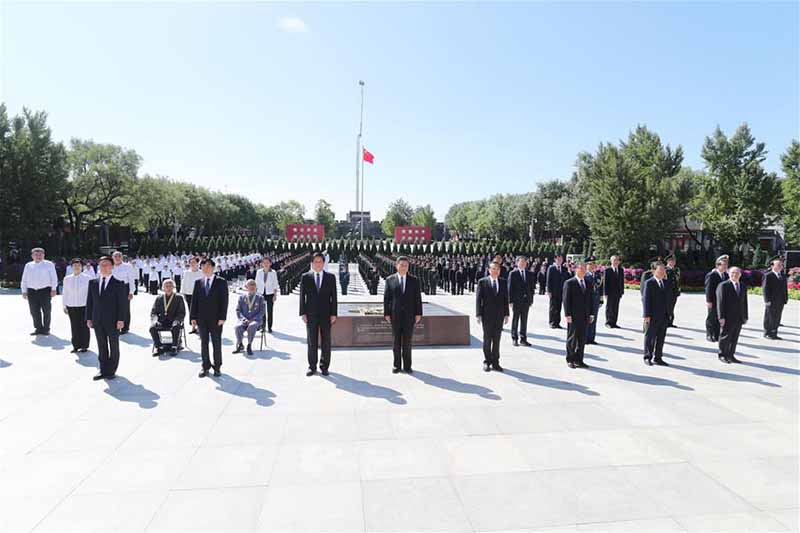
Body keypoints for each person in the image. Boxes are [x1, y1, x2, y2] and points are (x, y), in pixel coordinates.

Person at [85, 256, 127, 380]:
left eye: (106, 264)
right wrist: (89, 318)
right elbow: (90, 301)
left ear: (112, 267)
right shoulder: (93, 283)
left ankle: (111, 370)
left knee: (113, 345)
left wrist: (121, 319)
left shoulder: (119, 283)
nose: (104, 267)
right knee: (101, 345)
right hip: (97, 320)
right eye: (101, 265)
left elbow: (122, 304)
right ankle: (103, 369)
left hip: (113, 321)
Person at [299, 252, 338, 376]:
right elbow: (302, 297)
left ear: (323, 263)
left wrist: (334, 314)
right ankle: (312, 366)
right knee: (312, 341)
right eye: (315, 261)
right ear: (312, 263)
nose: (318, 264)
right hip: (310, 314)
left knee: (326, 341)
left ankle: (324, 366)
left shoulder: (330, 277)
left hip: (326, 314)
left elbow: (334, 297)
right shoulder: (305, 277)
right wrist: (303, 313)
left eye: (320, 261)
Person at [383, 256, 423, 374]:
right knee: (396, 342)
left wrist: (418, 313)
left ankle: (407, 366)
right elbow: (386, 298)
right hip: (395, 316)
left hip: (409, 316)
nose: (404, 267)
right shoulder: (390, 280)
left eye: (406, 265)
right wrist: (386, 313)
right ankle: (396, 365)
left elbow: (417, 298)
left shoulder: (414, 280)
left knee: (407, 342)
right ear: (397, 266)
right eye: (402, 265)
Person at [190, 258, 229, 378]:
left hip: (216, 319)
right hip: (202, 319)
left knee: (216, 343)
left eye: (207, 266)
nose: (205, 268)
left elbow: (224, 301)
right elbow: (194, 301)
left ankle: (217, 366)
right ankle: (205, 366)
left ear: (213, 267)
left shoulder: (221, 282)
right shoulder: (198, 282)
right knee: (204, 343)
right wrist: (193, 317)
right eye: (203, 266)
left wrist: (222, 317)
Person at [475, 261, 509, 372]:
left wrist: (506, 314)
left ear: (499, 271)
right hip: (487, 316)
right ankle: (487, 361)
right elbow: (478, 299)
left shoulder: (503, 282)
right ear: (489, 270)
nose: (495, 271)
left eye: (497, 269)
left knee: (497, 339)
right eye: (493, 269)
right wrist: (478, 314)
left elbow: (505, 299)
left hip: (499, 316)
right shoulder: (482, 282)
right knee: (487, 339)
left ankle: (495, 362)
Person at [20, 247, 58, 335]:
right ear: (32, 256)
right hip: (32, 291)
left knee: (46, 311)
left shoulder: (49, 264)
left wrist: (54, 289)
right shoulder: (28, 265)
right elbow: (24, 279)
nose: (38, 256)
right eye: (36, 255)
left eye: (40, 254)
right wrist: (24, 291)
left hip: (45, 291)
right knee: (34, 311)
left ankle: (46, 329)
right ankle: (38, 328)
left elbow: (54, 277)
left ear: (44, 255)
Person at [563, 261, 593, 369]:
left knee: (582, 339)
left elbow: (590, 299)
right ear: (576, 269)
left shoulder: (588, 283)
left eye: (585, 268)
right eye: (581, 268)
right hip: (573, 316)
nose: (584, 270)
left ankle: (579, 359)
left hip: (585, 315)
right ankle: (570, 359)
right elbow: (566, 300)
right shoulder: (569, 283)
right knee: (572, 338)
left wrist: (591, 314)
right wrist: (567, 314)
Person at [717, 266, 748, 364]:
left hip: (739, 316)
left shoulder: (742, 285)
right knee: (725, 336)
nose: (735, 275)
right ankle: (723, 354)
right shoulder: (723, 285)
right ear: (728, 274)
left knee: (734, 337)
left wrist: (745, 316)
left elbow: (744, 302)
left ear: (740, 274)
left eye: (737, 273)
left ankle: (731, 355)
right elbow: (720, 303)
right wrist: (721, 317)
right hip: (727, 316)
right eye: (732, 273)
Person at [642, 262, 671, 366]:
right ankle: (647, 356)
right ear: (654, 271)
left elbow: (669, 299)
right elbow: (646, 300)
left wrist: (669, 312)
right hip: (652, 315)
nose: (663, 272)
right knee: (650, 337)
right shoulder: (649, 283)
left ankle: (658, 357)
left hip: (664, 315)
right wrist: (646, 315)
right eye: (660, 270)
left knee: (661, 337)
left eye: (664, 270)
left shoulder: (666, 283)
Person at [149, 279, 186, 356]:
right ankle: (159, 347)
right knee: (152, 328)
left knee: (176, 326)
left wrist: (177, 320)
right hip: (162, 320)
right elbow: (154, 312)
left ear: (173, 287)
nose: (168, 288)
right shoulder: (159, 298)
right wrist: (155, 320)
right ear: (163, 288)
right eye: (166, 286)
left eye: (170, 286)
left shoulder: (179, 298)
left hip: (174, 320)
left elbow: (182, 312)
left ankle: (174, 346)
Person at [62, 258, 91, 353]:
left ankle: (84, 345)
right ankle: (75, 346)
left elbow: (91, 293)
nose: (77, 267)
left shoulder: (88, 278)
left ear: (82, 267)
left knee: (84, 326)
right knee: (74, 326)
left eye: (79, 265)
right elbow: (65, 292)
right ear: (71, 267)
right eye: (75, 265)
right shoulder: (67, 279)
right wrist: (64, 305)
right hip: (71, 305)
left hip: (84, 305)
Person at [508, 256, 534, 347]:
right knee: (515, 319)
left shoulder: (530, 274)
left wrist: (531, 299)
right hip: (516, 301)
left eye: (524, 262)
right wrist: (510, 301)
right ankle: (514, 338)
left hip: (526, 301)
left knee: (524, 320)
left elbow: (531, 288)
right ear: (517, 263)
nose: (523, 263)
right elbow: (510, 288)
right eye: (521, 262)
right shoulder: (513, 273)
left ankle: (523, 339)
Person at [234, 280, 265, 356]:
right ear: (246, 287)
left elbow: (262, 312)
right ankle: (240, 344)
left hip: (256, 320)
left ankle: (249, 345)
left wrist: (253, 320)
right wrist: (243, 319)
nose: (252, 286)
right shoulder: (242, 297)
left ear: (256, 287)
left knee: (252, 326)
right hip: (244, 320)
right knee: (237, 327)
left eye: (253, 284)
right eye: (250, 285)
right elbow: (238, 310)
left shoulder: (260, 298)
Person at [704, 255, 729, 342]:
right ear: (718, 265)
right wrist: (708, 300)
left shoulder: (726, 275)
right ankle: (709, 334)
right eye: (723, 265)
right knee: (712, 317)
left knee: (719, 317)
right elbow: (708, 288)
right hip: (713, 300)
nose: (725, 267)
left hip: (722, 301)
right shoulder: (711, 275)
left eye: (726, 265)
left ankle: (716, 334)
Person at [762, 257, 788, 340]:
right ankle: (767, 333)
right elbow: (765, 289)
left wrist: (785, 298)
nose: (781, 267)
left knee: (777, 317)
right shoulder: (768, 275)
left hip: (780, 300)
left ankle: (774, 333)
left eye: (781, 265)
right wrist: (767, 300)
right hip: (771, 300)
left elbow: (785, 288)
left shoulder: (782, 276)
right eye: (778, 265)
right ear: (773, 266)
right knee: (769, 316)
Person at [111, 251, 136, 333]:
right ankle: (115, 326)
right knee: (113, 307)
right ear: (112, 258)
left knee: (125, 308)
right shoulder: (110, 266)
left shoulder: (128, 266)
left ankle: (125, 327)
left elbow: (131, 279)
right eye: (115, 256)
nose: (117, 258)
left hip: (124, 288)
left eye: (119, 256)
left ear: (122, 257)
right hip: (113, 288)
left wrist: (131, 292)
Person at [255, 257, 279, 333]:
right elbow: (256, 283)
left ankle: (269, 327)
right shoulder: (259, 272)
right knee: (262, 311)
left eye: (267, 263)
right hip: (261, 293)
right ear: (262, 264)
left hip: (270, 293)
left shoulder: (273, 272)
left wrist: (275, 295)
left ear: (270, 264)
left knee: (270, 311)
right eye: (264, 263)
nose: (266, 264)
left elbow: (275, 284)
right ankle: (263, 327)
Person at [546, 254, 570, 328]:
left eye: (561, 259)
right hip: (553, 291)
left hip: (561, 291)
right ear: (555, 259)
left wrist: (570, 270)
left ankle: (557, 322)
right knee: (553, 307)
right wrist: (549, 291)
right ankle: (552, 322)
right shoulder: (551, 268)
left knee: (559, 307)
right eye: (558, 259)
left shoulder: (564, 269)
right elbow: (548, 280)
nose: (560, 260)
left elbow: (567, 279)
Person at [181, 257, 203, 334]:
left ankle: (200, 327)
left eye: (194, 262)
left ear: (197, 263)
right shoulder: (186, 273)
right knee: (191, 311)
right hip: (189, 294)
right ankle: (193, 327)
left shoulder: (201, 272)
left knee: (199, 311)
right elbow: (183, 283)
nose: (192, 264)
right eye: (191, 262)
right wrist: (183, 293)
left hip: (199, 295)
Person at [585, 257, 603, 345]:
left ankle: (591, 338)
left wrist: (601, 299)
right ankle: (585, 338)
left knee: (594, 319)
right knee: (586, 319)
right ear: (586, 265)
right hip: (587, 301)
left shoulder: (597, 275)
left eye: (594, 264)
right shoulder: (584, 275)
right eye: (590, 264)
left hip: (595, 300)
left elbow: (600, 288)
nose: (592, 266)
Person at [603, 255, 625, 328]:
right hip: (610, 292)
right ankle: (608, 322)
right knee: (609, 308)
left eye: (617, 260)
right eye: (614, 260)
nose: (616, 262)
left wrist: (622, 291)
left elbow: (622, 281)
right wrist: (605, 293)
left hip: (618, 292)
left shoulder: (621, 270)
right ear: (611, 261)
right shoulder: (607, 270)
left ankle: (614, 322)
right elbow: (605, 282)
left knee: (616, 308)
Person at [665, 255, 681, 327]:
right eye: (672, 260)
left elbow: (677, 281)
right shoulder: (665, 269)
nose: (674, 262)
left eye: (674, 261)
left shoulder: (676, 269)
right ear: (668, 261)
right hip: (667, 292)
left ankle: (670, 322)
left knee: (672, 307)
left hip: (674, 292)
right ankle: (665, 322)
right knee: (667, 307)